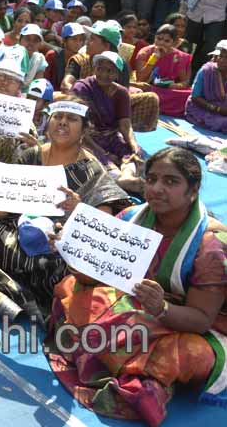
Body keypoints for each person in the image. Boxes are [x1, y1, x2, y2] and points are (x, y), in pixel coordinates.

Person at [48, 147, 227, 425]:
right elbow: (93, 278)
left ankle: (142, 378)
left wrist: (162, 308)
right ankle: (121, 362)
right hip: (141, 304)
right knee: (70, 288)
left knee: (185, 354)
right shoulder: (131, 218)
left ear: (193, 191)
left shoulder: (212, 246)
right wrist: (72, 254)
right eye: (151, 179)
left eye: (171, 181)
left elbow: (202, 320)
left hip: (199, 324)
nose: (156, 188)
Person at [0, 96, 129, 322]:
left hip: (57, 242)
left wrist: (77, 209)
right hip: (18, 230)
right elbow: (0, 214)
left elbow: (102, 225)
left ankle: (20, 296)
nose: (62, 123)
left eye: (71, 119)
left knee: (58, 267)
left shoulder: (92, 170)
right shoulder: (30, 156)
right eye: (58, 117)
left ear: (84, 130)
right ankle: (9, 296)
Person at [71, 51, 143, 174]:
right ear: (94, 69)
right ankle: (120, 177)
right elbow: (78, 128)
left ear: (117, 74)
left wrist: (133, 144)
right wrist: (104, 153)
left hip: (111, 137)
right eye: (100, 69)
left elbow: (125, 124)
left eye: (110, 71)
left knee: (132, 157)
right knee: (109, 167)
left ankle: (127, 176)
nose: (104, 74)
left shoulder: (121, 93)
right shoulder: (82, 88)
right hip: (87, 138)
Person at [132, 24, 192, 116]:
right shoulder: (145, 52)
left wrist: (172, 85)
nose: (161, 43)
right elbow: (140, 78)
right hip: (149, 87)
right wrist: (154, 58)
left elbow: (185, 82)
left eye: (167, 41)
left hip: (169, 90)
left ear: (174, 43)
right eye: (159, 39)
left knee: (189, 94)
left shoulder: (180, 57)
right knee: (141, 90)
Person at [185, 39, 227, 131]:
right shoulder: (206, 71)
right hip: (203, 108)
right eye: (221, 56)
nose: (222, 60)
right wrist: (218, 109)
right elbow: (195, 97)